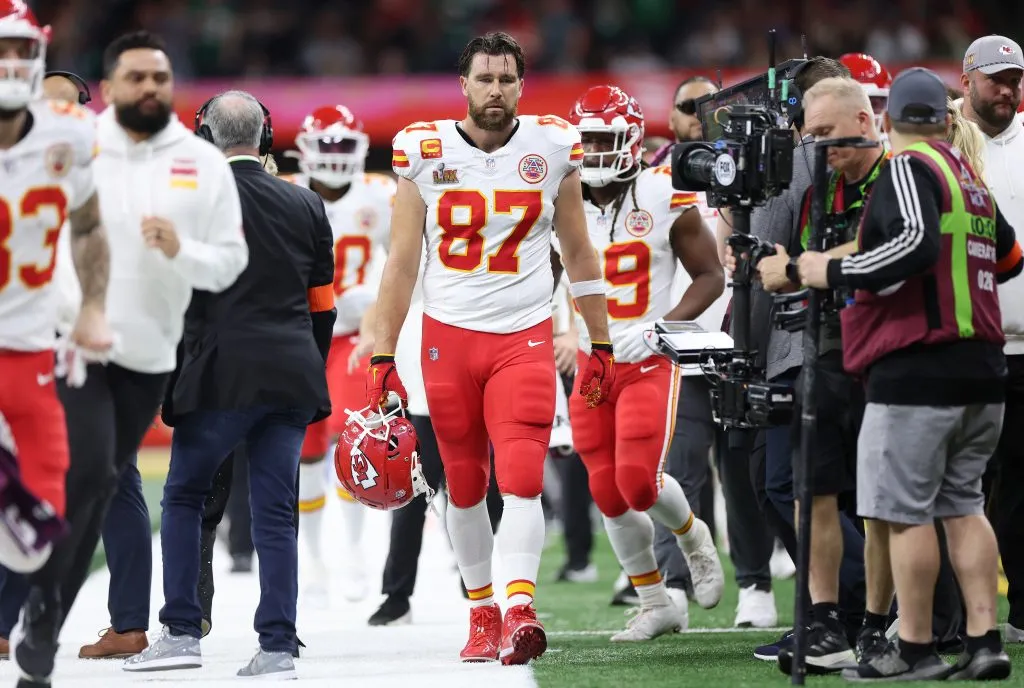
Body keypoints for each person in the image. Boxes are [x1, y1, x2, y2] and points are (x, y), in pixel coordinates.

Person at [369, 31, 614, 665]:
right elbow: (400, 264)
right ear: (465, 84)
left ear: (521, 85)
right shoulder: (422, 151)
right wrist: (380, 354)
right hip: (447, 337)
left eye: (506, 79)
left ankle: (520, 607)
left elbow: (580, 250)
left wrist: (601, 342)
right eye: (485, 78)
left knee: (525, 480)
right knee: (464, 487)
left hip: (524, 334)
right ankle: (481, 611)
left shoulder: (552, 146)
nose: (495, 90)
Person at [798, 66, 1021, 681]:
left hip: (919, 367)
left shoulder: (905, 166)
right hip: (983, 367)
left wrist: (828, 272)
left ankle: (914, 647)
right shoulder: (968, 176)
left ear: (887, 121)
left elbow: (917, 243)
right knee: (964, 506)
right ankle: (984, 641)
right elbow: (1009, 257)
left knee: (905, 512)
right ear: (948, 118)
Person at [124, 90, 335, 678]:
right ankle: (277, 645)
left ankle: (183, 631)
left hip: (217, 373)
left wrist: (165, 381)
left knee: (184, 497)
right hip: (291, 372)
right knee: (275, 512)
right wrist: (308, 369)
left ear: (203, 138)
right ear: (264, 137)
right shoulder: (307, 206)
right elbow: (323, 309)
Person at [560, 83, 725, 642]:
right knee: (605, 491)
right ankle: (656, 604)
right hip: (592, 361)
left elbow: (711, 275)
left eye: (605, 140)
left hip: (648, 357)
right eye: (586, 142)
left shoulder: (661, 193)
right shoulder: (562, 197)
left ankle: (694, 538)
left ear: (631, 141)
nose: (596, 154)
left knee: (636, 481)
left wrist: (663, 328)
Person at [750, 76, 887, 675]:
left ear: (865, 120)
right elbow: (804, 264)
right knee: (813, 491)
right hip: (826, 350)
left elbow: (888, 247)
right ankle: (828, 620)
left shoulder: (900, 179)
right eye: (812, 138)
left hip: (889, 356)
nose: (821, 149)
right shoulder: (820, 192)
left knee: (885, 502)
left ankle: (892, 623)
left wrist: (804, 267)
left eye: (828, 135)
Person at [0, 3, 114, 680]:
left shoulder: (68, 133)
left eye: (20, 49)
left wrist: (93, 306)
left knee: (38, 537)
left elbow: (90, 226)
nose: (10, 65)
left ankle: (33, 623)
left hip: (32, 347)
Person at [283, 104, 394, 605]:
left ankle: (353, 554)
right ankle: (314, 562)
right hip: (298, 336)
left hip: (353, 335)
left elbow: (403, 261)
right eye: (323, 145)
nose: (332, 156)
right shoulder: (284, 191)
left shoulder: (381, 194)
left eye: (342, 145)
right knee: (303, 454)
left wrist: (382, 324)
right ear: (304, 149)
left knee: (354, 445)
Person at [957, 33, 1024, 644]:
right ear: (968, 78)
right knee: (964, 485)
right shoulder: (947, 141)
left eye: (1015, 78)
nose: (1006, 89)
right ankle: (959, 618)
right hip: (969, 341)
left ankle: (1022, 613)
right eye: (995, 78)